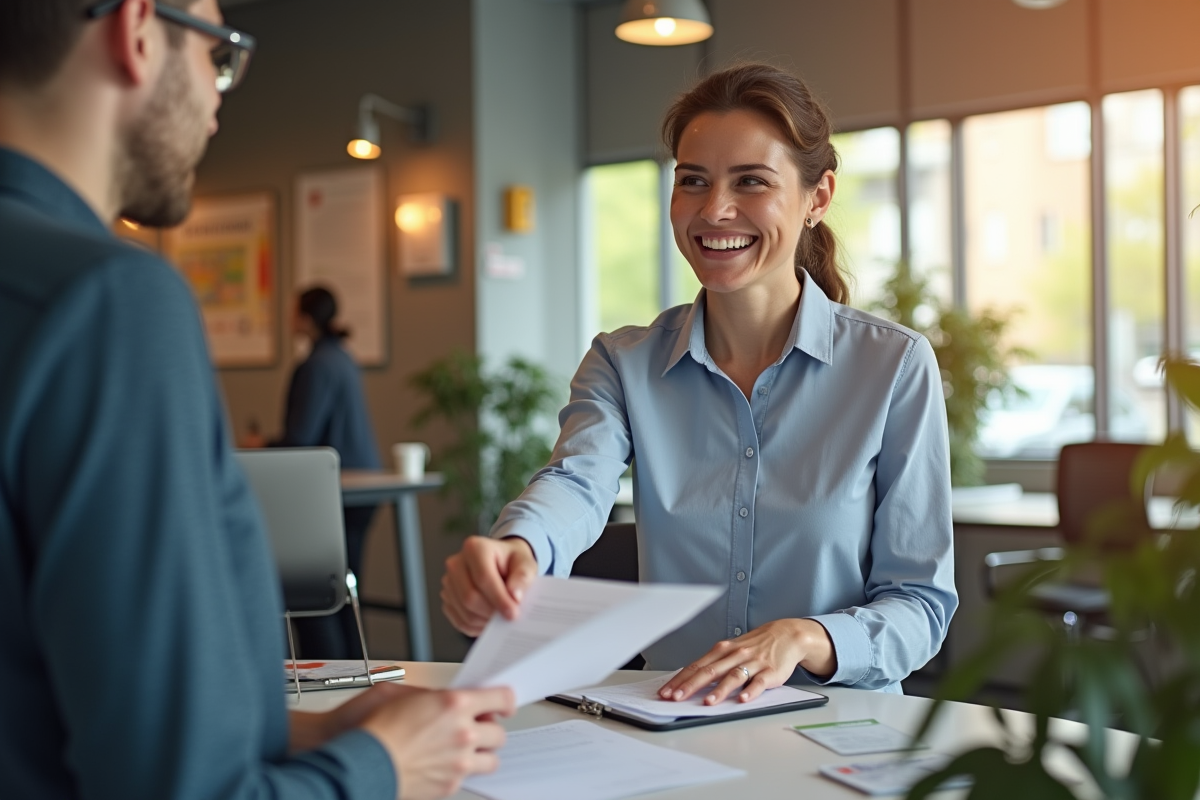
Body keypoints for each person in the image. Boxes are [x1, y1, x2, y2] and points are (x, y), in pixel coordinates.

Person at [0, 2, 510, 799]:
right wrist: (386, 768)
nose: (219, 94)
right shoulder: (109, 303)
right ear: (136, 31)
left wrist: (296, 731)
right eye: (219, 53)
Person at [441, 62, 957, 702]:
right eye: (693, 181)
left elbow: (920, 605)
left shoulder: (894, 367)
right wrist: (519, 546)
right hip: (677, 729)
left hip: (837, 734)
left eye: (752, 181)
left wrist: (805, 637)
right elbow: (576, 482)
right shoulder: (622, 364)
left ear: (817, 198)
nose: (715, 210)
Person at [261, 284, 382, 658]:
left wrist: (261, 446)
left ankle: (327, 683)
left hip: (329, 495)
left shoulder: (315, 365)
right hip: (363, 489)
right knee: (343, 596)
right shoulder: (343, 358)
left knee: (314, 601)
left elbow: (301, 437)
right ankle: (349, 681)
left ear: (304, 317)